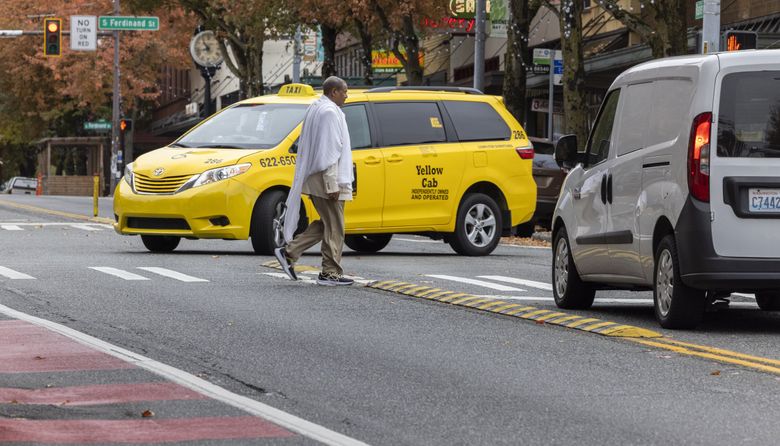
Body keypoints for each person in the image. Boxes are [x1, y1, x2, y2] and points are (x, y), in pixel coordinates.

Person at [274, 76, 354, 286]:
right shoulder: (328, 112)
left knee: (328, 223)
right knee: (335, 226)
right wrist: (332, 183)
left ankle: (290, 252)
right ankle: (329, 273)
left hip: (320, 176)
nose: (347, 95)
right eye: (344, 91)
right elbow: (329, 151)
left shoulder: (318, 108)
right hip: (327, 177)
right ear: (334, 92)